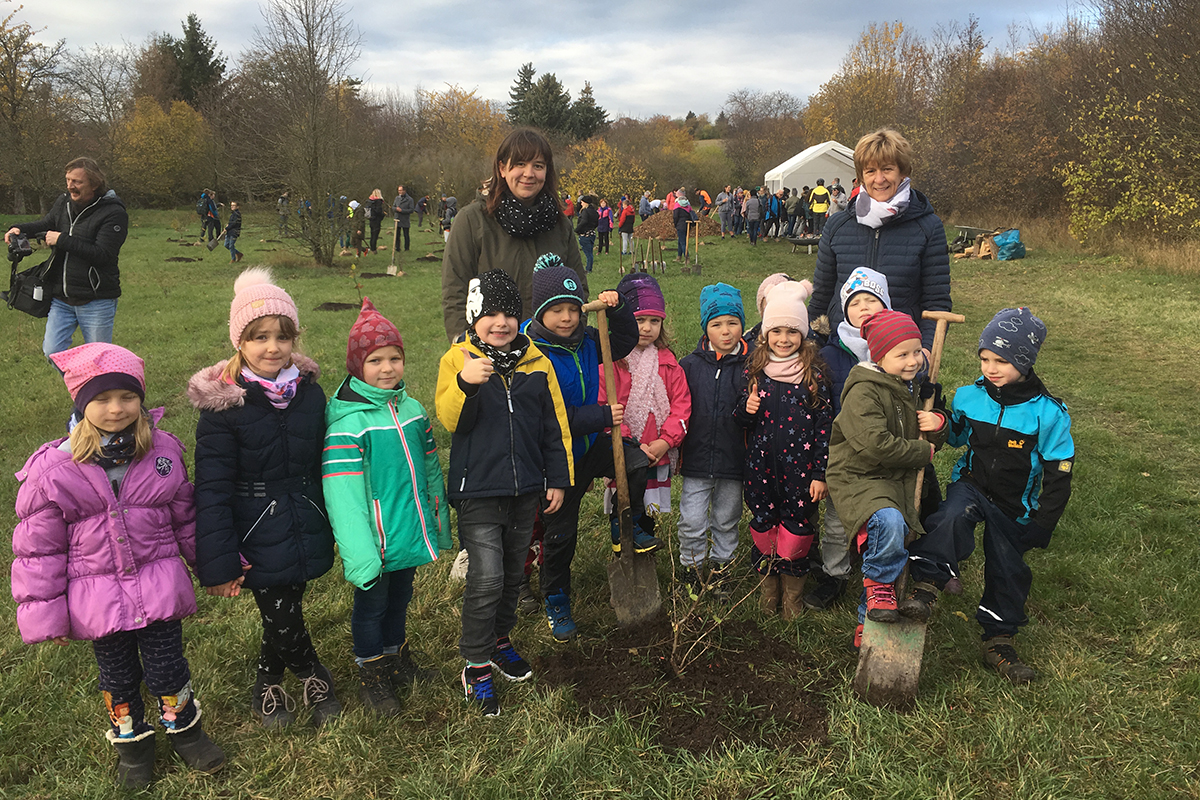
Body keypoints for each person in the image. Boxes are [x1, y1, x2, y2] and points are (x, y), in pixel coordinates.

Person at [11, 343, 225, 789]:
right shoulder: (53, 470)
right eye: (102, 399)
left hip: (160, 587)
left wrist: (215, 566)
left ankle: (185, 732)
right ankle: (132, 746)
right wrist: (46, 615)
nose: (116, 409)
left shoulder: (163, 453)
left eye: (127, 397)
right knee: (118, 676)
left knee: (169, 668)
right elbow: (39, 550)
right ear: (80, 403)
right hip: (98, 601)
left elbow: (187, 518)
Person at [188, 268, 341, 728]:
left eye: (281, 336)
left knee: (287, 602)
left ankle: (267, 678)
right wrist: (218, 559)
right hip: (253, 525)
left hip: (304, 516)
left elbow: (324, 460)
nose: (272, 347)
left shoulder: (309, 396)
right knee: (279, 607)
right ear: (240, 342)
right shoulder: (224, 408)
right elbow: (211, 487)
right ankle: (312, 673)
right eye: (259, 337)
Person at [901, 308, 1074, 683]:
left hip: (1016, 505)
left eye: (1003, 361)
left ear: (1025, 362)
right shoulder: (970, 397)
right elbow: (957, 435)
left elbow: (1059, 474)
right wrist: (940, 419)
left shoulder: (1048, 414)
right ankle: (928, 584)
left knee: (1008, 567)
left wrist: (1043, 522)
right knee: (950, 517)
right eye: (985, 358)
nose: (991, 368)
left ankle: (998, 638)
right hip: (972, 486)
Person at [435, 269, 573, 716]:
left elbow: (555, 427)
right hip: (478, 489)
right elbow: (452, 420)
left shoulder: (537, 363)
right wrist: (466, 384)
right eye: (490, 313)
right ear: (475, 318)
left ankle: (498, 639)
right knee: (488, 575)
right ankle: (475, 665)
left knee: (514, 572)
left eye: (510, 313)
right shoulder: (458, 360)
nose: (501, 322)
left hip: (526, 488)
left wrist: (557, 478)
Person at [323, 298, 452, 715]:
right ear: (357, 366)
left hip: (408, 530)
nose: (387, 368)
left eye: (395, 358)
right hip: (374, 541)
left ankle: (396, 657)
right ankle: (371, 670)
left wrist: (437, 522)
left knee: (401, 597)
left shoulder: (412, 410)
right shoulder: (349, 425)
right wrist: (361, 554)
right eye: (375, 360)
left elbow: (431, 470)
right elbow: (343, 498)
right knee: (372, 605)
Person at [520, 254, 645, 640]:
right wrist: (601, 416)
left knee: (637, 460)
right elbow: (550, 418)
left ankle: (625, 523)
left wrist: (619, 309)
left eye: (574, 309)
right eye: (556, 310)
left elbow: (625, 341)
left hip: (591, 445)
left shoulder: (591, 339)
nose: (568, 318)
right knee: (560, 536)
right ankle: (556, 600)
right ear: (541, 313)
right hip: (557, 459)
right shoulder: (531, 354)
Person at [826, 310, 948, 649]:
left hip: (896, 476)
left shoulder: (917, 388)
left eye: (915, 352)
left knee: (899, 534)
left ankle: (871, 620)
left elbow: (929, 436)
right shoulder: (863, 392)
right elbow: (873, 445)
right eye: (902, 354)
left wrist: (937, 423)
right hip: (860, 474)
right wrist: (921, 454)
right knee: (890, 523)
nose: (912, 361)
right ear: (879, 356)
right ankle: (879, 586)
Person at [736, 281, 833, 618]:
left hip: (801, 472)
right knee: (763, 525)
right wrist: (745, 410)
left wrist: (819, 473)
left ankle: (792, 596)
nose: (784, 338)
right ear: (765, 334)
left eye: (792, 331)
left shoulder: (813, 375)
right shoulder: (755, 371)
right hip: (761, 468)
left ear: (803, 335)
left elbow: (824, 427)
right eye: (776, 330)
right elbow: (739, 420)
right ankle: (768, 590)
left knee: (797, 529)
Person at [808, 128, 952, 351]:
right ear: (861, 176)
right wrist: (812, 344)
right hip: (841, 350)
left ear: (902, 172)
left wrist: (924, 350)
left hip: (899, 351)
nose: (879, 179)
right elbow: (822, 296)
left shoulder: (928, 227)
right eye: (870, 171)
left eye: (887, 169)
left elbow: (936, 301)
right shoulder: (837, 226)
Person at [441, 129, 587, 342]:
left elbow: (578, 288)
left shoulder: (559, 225)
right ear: (502, 168)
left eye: (538, 166)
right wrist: (464, 347)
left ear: (546, 172)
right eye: (520, 164)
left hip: (550, 353)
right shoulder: (472, 220)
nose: (529, 173)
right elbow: (455, 290)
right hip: (491, 353)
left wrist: (571, 340)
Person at [805, 268, 893, 611]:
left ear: (886, 305)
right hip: (841, 452)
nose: (864, 308)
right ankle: (834, 573)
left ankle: (879, 576)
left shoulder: (894, 352)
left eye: (872, 300)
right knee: (837, 520)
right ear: (844, 311)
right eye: (855, 303)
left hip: (883, 451)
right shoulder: (831, 355)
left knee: (883, 517)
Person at [5, 157, 128, 359]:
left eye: (77, 182)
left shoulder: (113, 212)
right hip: (61, 297)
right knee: (53, 352)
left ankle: (99, 389)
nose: (71, 186)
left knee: (99, 359)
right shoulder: (64, 202)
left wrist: (62, 239)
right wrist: (20, 229)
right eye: (68, 180)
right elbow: (47, 223)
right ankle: (81, 389)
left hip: (96, 298)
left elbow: (103, 254)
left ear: (94, 184)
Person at [600, 273, 691, 546]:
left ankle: (645, 543)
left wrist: (666, 441)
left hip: (657, 449)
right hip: (626, 451)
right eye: (639, 320)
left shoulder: (668, 363)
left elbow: (682, 406)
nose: (647, 328)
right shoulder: (612, 362)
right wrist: (629, 443)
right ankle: (622, 540)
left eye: (654, 321)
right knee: (625, 496)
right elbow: (605, 404)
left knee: (648, 505)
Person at [678, 283, 751, 597]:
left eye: (732, 323)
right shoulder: (689, 366)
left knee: (726, 518)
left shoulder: (752, 367)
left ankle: (722, 568)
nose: (725, 331)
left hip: (734, 460)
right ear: (705, 327)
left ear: (742, 326)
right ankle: (692, 568)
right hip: (696, 459)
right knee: (692, 518)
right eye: (716, 324)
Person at [575, 195, 599, 272]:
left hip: (585, 234)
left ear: (585, 203)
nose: (581, 204)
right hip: (592, 233)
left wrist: (577, 229)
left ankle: (588, 269)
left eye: (582, 202)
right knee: (590, 252)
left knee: (588, 254)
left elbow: (584, 221)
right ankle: (589, 268)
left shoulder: (585, 211)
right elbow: (597, 223)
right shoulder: (594, 211)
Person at [392, 185, 415, 252]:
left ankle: (407, 248)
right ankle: (397, 248)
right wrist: (396, 209)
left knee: (406, 235)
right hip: (397, 218)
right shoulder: (397, 198)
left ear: (404, 191)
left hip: (405, 219)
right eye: (398, 190)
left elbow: (411, 210)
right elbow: (393, 207)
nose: (399, 192)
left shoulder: (410, 199)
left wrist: (402, 210)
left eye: (401, 190)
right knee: (397, 235)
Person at [673, 193, 693, 261]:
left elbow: (675, 216)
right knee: (680, 241)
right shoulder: (688, 206)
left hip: (680, 225)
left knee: (683, 242)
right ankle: (679, 257)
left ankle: (687, 257)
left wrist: (675, 224)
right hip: (687, 225)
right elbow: (692, 215)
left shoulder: (677, 205)